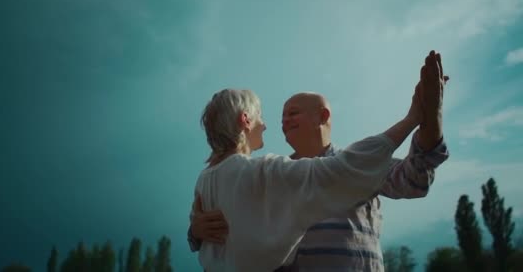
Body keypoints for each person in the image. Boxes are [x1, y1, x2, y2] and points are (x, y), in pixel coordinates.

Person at [189, 51, 450, 271]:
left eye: (292, 113)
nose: (280, 122)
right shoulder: (267, 176)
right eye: (281, 116)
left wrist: (432, 118)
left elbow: (415, 180)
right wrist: (196, 233)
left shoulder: (361, 166)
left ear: (323, 116)